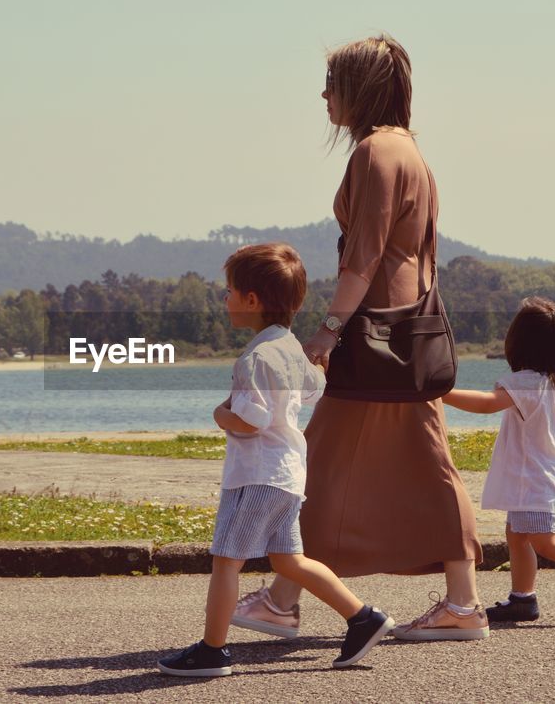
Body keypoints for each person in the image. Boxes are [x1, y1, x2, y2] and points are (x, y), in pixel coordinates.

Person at [232, 34, 488, 642]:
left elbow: (364, 259)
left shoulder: (375, 153)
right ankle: (459, 603)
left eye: (334, 84)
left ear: (361, 90)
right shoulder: (411, 154)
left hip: (375, 331)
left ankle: (284, 599)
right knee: (418, 463)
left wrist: (326, 330)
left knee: (318, 462)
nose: (324, 95)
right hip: (408, 329)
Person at [158, 243, 395, 677]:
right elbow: (314, 389)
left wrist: (221, 413)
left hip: (256, 475)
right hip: (287, 473)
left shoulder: (255, 357)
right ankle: (364, 618)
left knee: (226, 560)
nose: (225, 299)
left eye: (229, 291)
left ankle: (212, 650)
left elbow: (251, 421)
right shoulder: (290, 348)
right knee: (289, 560)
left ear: (252, 300)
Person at [441, 297, 555, 623]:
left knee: (545, 541)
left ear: (518, 342)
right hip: (550, 478)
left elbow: (487, 403)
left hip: (534, 479)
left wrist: (441, 392)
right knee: (518, 534)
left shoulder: (525, 384)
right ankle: (522, 598)